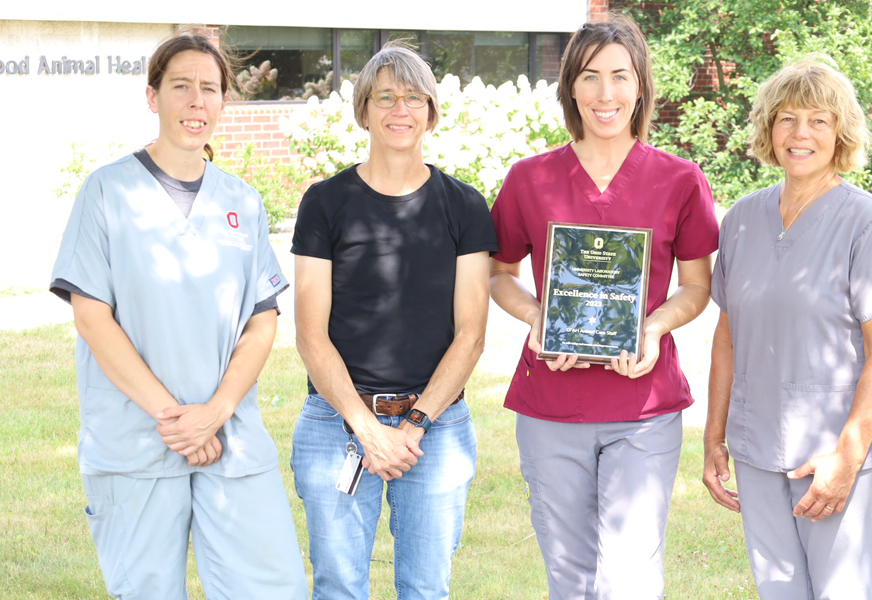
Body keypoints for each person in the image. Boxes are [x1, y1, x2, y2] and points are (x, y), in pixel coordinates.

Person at [48, 31, 307, 599]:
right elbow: (92, 318)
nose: (196, 101)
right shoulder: (107, 192)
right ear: (152, 97)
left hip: (230, 439)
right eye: (181, 86)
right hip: (137, 441)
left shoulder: (243, 201)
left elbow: (262, 321)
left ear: (223, 101)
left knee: (275, 588)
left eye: (209, 89)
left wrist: (214, 413)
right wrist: (179, 421)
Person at [488, 16, 719, 600]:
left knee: (629, 577)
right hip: (551, 405)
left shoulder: (680, 180)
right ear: (570, 87)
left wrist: (654, 325)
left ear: (640, 84)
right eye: (590, 78)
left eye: (620, 77)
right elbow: (499, 273)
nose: (605, 94)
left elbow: (696, 288)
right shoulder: (529, 179)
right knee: (569, 576)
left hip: (643, 407)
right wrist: (538, 317)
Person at [702, 57, 872, 600]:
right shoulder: (741, 221)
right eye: (787, 119)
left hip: (837, 450)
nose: (800, 134)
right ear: (768, 130)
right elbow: (728, 336)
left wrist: (847, 457)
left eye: (818, 120)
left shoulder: (867, 222)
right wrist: (714, 436)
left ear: (840, 133)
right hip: (758, 445)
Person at [290, 42, 496, 600]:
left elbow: (471, 334)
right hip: (338, 425)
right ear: (363, 110)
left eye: (413, 97)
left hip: (435, 431)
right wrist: (365, 428)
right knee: (337, 587)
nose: (399, 110)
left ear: (430, 111)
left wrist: (413, 426)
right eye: (385, 97)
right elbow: (310, 334)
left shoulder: (464, 206)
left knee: (427, 589)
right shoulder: (325, 204)